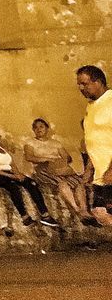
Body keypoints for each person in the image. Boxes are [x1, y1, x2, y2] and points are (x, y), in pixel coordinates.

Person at [0, 124, 59, 229]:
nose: (0, 136)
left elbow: (11, 163)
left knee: (31, 183)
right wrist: (13, 177)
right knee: (12, 186)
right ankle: (24, 216)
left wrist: (18, 174)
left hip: (7, 173)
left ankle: (45, 215)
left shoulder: (0, 147)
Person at [23, 118, 95, 224]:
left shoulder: (55, 143)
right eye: (36, 127)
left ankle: (84, 210)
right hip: (43, 169)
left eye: (41, 126)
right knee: (62, 183)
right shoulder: (30, 142)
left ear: (47, 129)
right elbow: (29, 157)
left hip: (60, 167)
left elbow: (68, 157)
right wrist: (47, 159)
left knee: (79, 182)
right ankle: (77, 210)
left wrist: (60, 161)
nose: (38, 129)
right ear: (33, 130)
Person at [77, 65, 112, 226]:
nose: (81, 88)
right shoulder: (91, 107)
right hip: (100, 174)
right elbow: (95, 141)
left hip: (110, 172)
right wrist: (90, 169)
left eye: (84, 83)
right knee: (100, 213)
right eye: (79, 84)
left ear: (98, 82)